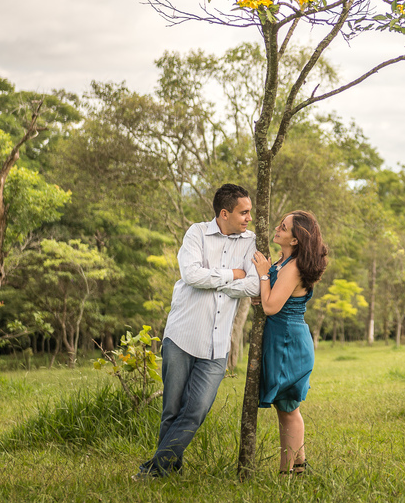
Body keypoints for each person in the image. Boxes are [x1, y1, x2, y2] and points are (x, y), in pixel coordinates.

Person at [135, 183, 261, 479]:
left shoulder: (250, 241)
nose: (249, 218)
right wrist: (233, 275)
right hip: (182, 336)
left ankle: (153, 469)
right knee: (172, 409)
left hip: (218, 345)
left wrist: (215, 278)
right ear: (224, 213)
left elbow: (254, 284)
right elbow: (190, 274)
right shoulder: (197, 233)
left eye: (250, 212)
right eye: (244, 213)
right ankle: (168, 471)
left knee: (198, 409)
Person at [253, 210, 329, 475]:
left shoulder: (294, 267)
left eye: (283, 227)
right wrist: (265, 284)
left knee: (288, 408)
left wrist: (263, 275)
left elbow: (272, 306)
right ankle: (299, 468)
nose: (277, 228)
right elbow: (271, 297)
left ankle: (285, 474)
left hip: (289, 340)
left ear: (295, 239)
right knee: (284, 406)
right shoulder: (283, 263)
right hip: (281, 338)